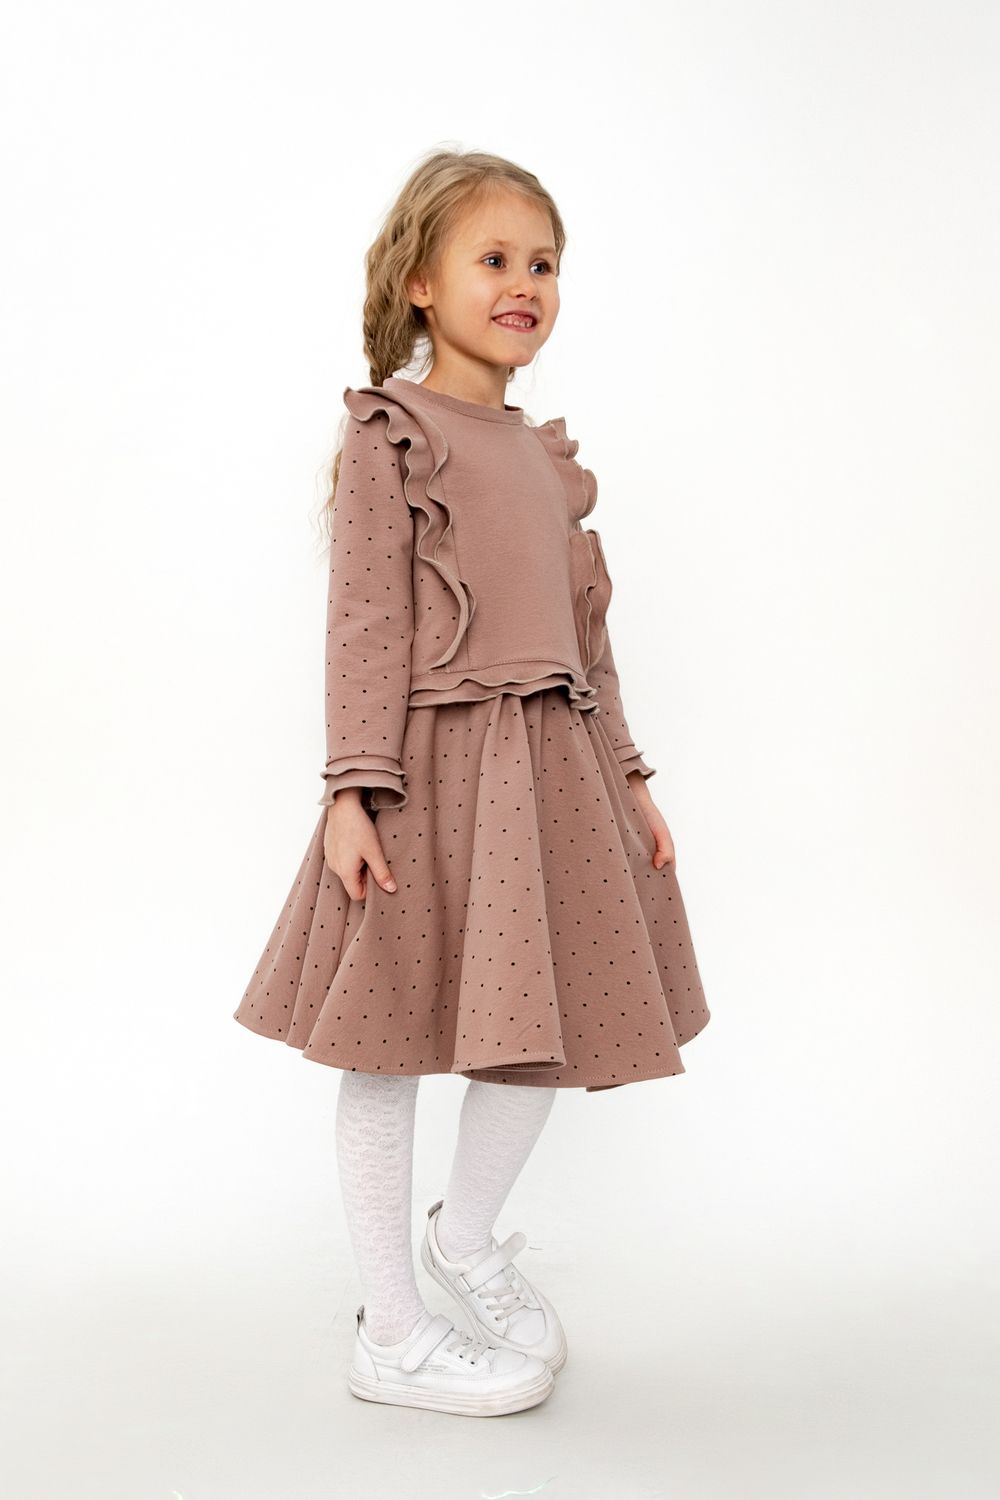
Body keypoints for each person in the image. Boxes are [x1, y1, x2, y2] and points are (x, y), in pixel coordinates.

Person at [233, 147, 711, 1417]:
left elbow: (586, 640)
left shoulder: (546, 459)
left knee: (535, 1023)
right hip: (427, 774)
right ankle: (391, 1331)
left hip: (551, 771)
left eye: (541, 263)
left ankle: (467, 1239)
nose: (523, 284)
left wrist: (629, 777)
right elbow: (365, 622)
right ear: (420, 284)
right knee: (388, 1038)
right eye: (493, 259)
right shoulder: (390, 431)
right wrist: (352, 789)